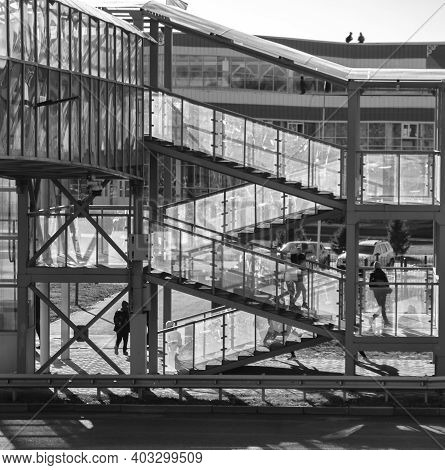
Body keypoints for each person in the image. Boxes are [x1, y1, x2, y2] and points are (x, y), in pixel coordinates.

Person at [369, 261, 391, 327]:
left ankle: (376, 318)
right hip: (383, 292)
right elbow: (387, 283)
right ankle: (384, 321)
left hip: (377, 292)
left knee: (381, 307)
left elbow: (370, 285)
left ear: (374, 267)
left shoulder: (372, 274)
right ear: (380, 266)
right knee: (382, 307)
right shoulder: (383, 274)